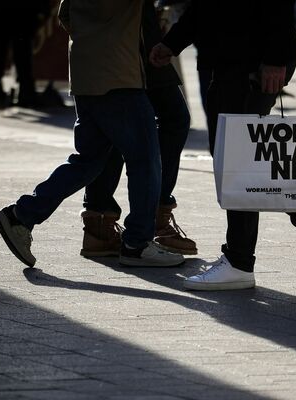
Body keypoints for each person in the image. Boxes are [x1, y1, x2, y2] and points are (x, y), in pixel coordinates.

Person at [149, 0, 296, 291]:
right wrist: (173, 42)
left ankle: (242, 259)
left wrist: (276, 57)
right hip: (232, 56)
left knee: (235, 158)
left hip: (252, 58)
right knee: (233, 155)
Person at [0, 0, 184, 268]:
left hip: (85, 74)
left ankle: (20, 216)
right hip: (119, 75)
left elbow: (64, 13)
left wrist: (93, 37)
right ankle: (137, 243)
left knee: (88, 160)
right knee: (145, 160)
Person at [79, 0, 196, 258]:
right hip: (124, 36)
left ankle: (111, 222)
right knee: (116, 125)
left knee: (168, 118)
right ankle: (118, 224)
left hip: (136, 30)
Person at [0, 0, 49, 108]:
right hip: (21, 10)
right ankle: (24, 91)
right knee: (21, 51)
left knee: (0, 49)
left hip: (3, 11)